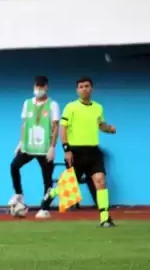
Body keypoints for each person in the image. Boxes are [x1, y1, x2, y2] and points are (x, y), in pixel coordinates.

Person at [43, 77, 117, 227]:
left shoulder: (98, 107)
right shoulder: (71, 107)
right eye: (81, 87)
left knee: (100, 180)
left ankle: (105, 218)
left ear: (92, 88)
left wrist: (109, 129)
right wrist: (66, 149)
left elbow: (101, 125)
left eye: (87, 86)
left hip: (93, 151)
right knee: (71, 186)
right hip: (75, 152)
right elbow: (63, 128)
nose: (84, 89)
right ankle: (51, 193)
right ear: (77, 90)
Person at [9, 75, 60, 219]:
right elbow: (24, 124)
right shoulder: (27, 103)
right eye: (37, 86)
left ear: (46, 87)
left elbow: (55, 126)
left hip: (44, 148)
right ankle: (19, 194)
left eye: (42, 86)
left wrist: (53, 147)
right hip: (29, 146)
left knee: (47, 179)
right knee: (14, 166)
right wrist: (20, 142)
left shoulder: (52, 105)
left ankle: (44, 208)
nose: (39, 89)